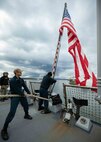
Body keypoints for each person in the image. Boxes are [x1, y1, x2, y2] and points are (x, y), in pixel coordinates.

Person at [1, 68, 32, 140]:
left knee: (26, 106)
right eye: (20, 72)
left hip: (21, 96)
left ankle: (26, 115)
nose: (21, 73)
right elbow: (17, 90)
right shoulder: (12, 80)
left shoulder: (21, 80)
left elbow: (25, 86)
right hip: (15, 96)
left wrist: (29, 93)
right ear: (16, 72)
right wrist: (23, 94)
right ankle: (4, 129)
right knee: (12, 112)